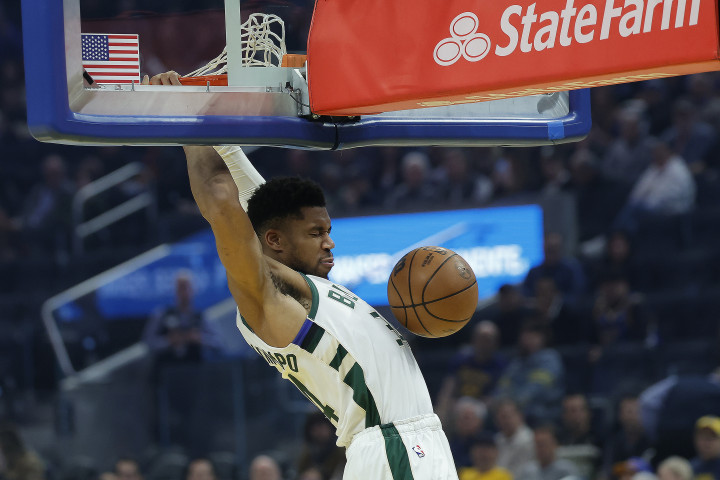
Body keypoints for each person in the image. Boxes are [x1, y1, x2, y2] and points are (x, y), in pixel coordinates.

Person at [149, 69, 457, 479]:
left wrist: (220, 137)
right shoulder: (268, 298)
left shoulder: (308, 286)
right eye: (316, 233)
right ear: (275, 241)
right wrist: (186, 120)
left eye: (327, 231)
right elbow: (224, 207)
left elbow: (259, 205)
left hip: (404, 445)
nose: (329, 243)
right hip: (396, 449)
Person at [436, 321, 507, 424]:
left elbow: (500, 392)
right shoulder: (460, 360)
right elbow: (448, 388)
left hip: (484, 407)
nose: (483, 344)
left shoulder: (500, 364)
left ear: (495, 342)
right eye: (481, 338)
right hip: (458, 405)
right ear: (474, 339)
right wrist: (444, 406)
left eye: (488, 340)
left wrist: (481, 405)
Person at [494, 321, 564, 424]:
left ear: (543, 338)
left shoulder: (550, 358)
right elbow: (504, 384)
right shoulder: (518, 361)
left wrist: (513, 402)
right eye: (526, 336)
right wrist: (497, 400)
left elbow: (537, 388)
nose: (528, 340)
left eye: (534, 336)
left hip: (544, 412)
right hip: (515, 410)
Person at [143, 271, 219, 364]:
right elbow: (148, 342)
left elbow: (218, 342)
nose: (184, 293)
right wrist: (168, 341)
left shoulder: (201, 316)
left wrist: (199, 338)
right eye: (181, 288)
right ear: (175, 291)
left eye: (187, 288)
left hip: (195, 366)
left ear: (193, 290)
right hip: (168, 367)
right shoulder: (162, 314)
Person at [556, 394, 604, 479]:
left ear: (588, 413)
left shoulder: (601, 440)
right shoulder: (557, 440)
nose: (575, 416)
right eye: (570, 411)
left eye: (577, 410)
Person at [492, 399, 535, 479]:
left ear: (520, 416)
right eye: (502, 417)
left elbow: (522, 472)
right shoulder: (497, 439)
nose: (506, 421)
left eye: (509, 416)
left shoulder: (528, 439)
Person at [691, 416, 720, 480]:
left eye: (712, 437)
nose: (707, 443)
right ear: (696, 439)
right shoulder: (690, 468)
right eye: (703, 437)